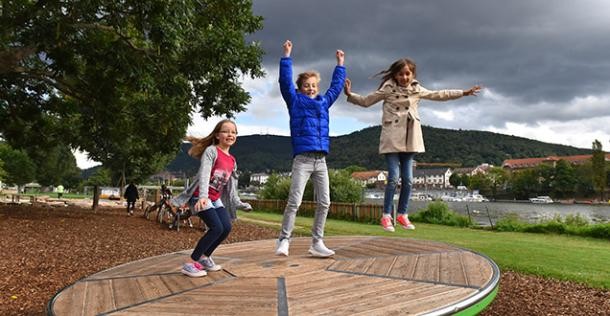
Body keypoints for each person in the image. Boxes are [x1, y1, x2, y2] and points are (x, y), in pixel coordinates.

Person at [344, 58, 481, 232]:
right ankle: (386, 216)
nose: (404, 77)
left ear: (413, 75)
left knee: (408, 180)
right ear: (395, 75)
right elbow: (366, 101)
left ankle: (402, 214)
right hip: (392, 137)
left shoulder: (416, 89)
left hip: (410, 137)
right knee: (393, 177)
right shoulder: (387, 89)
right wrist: (350, 94)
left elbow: (439, 95)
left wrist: (463, 93)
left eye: (407, 73)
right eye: (401, 74)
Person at [275, 40, 346, 258]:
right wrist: (286, 56)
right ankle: (284, 240)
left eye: (314, 85)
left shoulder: (324, 103)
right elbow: (285, 82)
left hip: (321, 160)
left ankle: (317, 242)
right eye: (307, 85)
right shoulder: (295, 101)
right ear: (300, 88)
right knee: (294, 201)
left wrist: (340, 64)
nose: (311, 88)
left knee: (325, 202)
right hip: (303, 160)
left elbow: (336, 87)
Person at [170, 119, 252, 278]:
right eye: (226, 131)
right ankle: (190, 263)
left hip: (215, 199)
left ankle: (205, 257)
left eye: (234, 132)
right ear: (217, 135)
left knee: (226, 228)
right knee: (216, 228)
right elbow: (204, 174)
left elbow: (231, 188)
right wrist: (202, 197)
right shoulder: (212, 151)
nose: (230, 134)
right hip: (200, 197)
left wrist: (240, 204)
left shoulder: (232, 160)